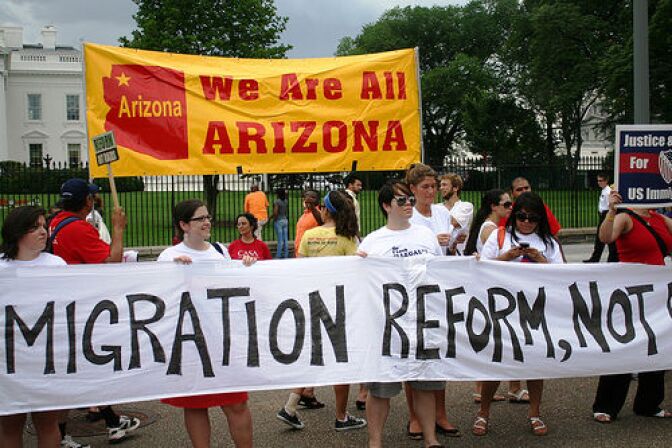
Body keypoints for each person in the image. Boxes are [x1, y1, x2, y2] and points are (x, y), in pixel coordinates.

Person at [48, 178, 139, 445]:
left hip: (67, 305)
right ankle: (80, 430)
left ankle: (111, 420)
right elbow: (111, 260)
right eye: (92, 197)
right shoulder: (77, 228)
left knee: (80, 371)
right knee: (83, 371)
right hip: (81, 308)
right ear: (87, 201)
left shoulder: (56, 222)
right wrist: (118, 229)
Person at [158, 199, 255, 448]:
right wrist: (173, 272)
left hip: (222, 340)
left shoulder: (220, 251)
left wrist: (246, 270)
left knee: (237, 403)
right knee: (195, 405)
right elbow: (159, 299)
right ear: (183, 225)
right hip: (190, 343)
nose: (207, 222)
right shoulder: (169, 256)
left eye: (207, 217)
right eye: (199, 219)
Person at [358, 180, 445, 448]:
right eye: (401, 201)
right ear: (386, 206)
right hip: (388, 326)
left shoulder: (425, 235)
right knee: (381, 389)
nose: (409, 204)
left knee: (425, 383)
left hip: (422, 322)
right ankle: (375, 442)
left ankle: (430, 439)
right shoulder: (373, 241)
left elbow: (443, 271)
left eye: (409, 199)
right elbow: (358, 283)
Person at [475, 192, 565, 437]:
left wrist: (541, 261)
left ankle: (535, 413)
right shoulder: (500, 235)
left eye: (532, 218)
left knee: (535, 363)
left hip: (535, 308)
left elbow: (562, 275)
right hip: (503, 308)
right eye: (521, 216)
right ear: (514, 215)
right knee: (496, 362)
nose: (526, 222)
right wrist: (506, 257)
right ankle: (483, 412)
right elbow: (481, 267)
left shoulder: (548, 242)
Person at [276, 191, 367, 432]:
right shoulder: (348, 239)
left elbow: (300, 269)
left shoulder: (309, 235)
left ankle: (291, 406)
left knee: (314, 355)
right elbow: (355, 274)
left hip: (312, 302)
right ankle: (341, 416)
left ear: (325, 210)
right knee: (341, 360)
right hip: (339, 305)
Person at [591, 190, 672, 424]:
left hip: (656, 297)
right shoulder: (626, 217)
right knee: (623, 347)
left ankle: (649, 403)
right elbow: (606, 238)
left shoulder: (658, 218)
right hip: (628, 295)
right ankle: (606, 404)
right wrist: (611, 210)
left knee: (656, 348)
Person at [0, 206, 65, 448]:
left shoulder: (56, 264)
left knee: (48, 423)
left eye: (43, 226)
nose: (43, 231)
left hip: (45, 359)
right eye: (34, 227)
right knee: (10, 425)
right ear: (17, 232)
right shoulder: (1, 268)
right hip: (8, 360)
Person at [404, 163, 460, 438]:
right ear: (413, 189)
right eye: (425, 187)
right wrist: (433, 243)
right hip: (416, 290)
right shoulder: (409, 216)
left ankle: (440, 412)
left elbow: (451, 245)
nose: (431, 191)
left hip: (441, 289)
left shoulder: (441, 212)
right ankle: (414, 415)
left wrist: (449, 244)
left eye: (433, 186)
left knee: (439, 352)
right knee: (414, 352)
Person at [584, 173, 617, 263]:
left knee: (604, 238)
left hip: (606, 214)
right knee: (600, 239)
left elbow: (609, 205)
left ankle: (610, 258)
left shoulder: (608, 191)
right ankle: (596, 257)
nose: (599, 183)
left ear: (606, 181)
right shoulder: (604, 190)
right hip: (603, 214)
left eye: (601, 181)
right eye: (598, 180)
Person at [293, 189, 323, 256]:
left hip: (310, 253)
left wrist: (312, 206)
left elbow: (321, 221)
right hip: (299, 252)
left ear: (318, 200)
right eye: (306, 197)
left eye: (312, 198)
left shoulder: (319, 213)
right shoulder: (304, 215)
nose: (308, 199)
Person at [272, 188, 289, 258]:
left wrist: (275, 219)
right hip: (285, 220)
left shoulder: (277, 202)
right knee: (285, 239)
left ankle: (278, 255)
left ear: (278, 194)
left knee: (280, 240)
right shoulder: (286, 201)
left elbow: (275, 212)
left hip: (279, 221)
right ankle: (286, 254)